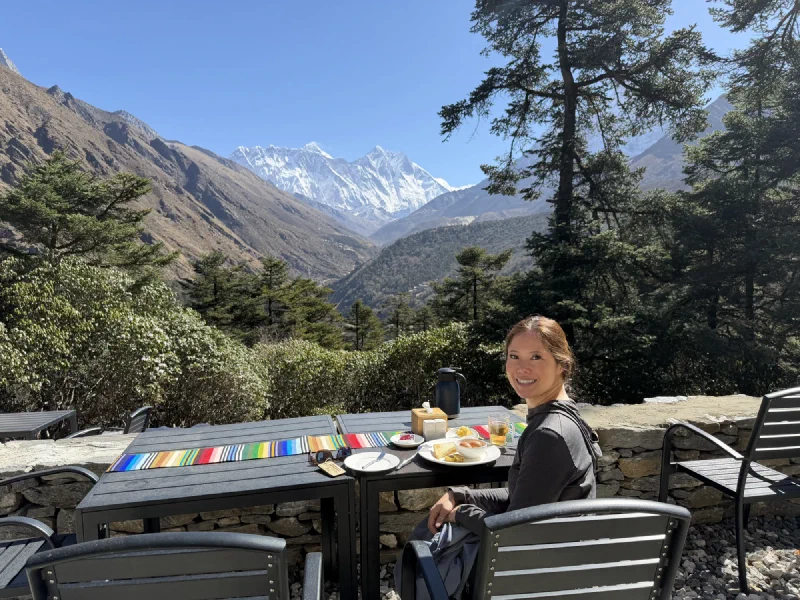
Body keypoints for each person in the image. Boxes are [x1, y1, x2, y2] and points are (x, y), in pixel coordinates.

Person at [396, 315, 601, 599]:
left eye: (536, 357)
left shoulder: (549, 435)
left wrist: (461, 514)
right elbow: (525, 501)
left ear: (562, 366)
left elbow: (514, 533)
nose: (522, 367)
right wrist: (460, 495)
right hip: (552, 559)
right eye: (514, 356)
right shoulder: (565, 419)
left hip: (528, 577)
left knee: (421, 554)